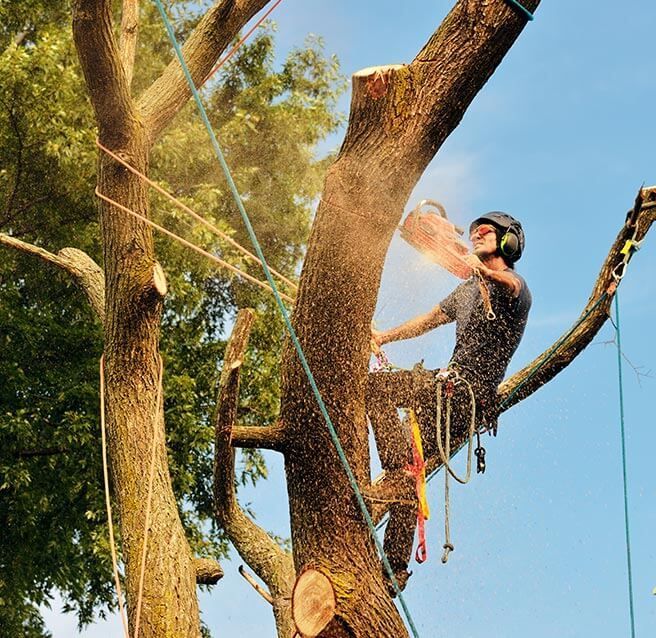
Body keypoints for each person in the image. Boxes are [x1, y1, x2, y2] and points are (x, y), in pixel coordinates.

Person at [366, 212, 532, 594]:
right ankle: (394, 568)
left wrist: (483, 271)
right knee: (409, 472)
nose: (476, 237)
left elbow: (507, 282)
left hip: (464, 398)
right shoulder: (466, 291)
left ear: (509, 242)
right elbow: (428, 320)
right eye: (473, 233)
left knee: (375, 390)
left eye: (486, 233)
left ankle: (395, 465)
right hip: (441, 393)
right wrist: (383, 336)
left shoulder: (514, 289)